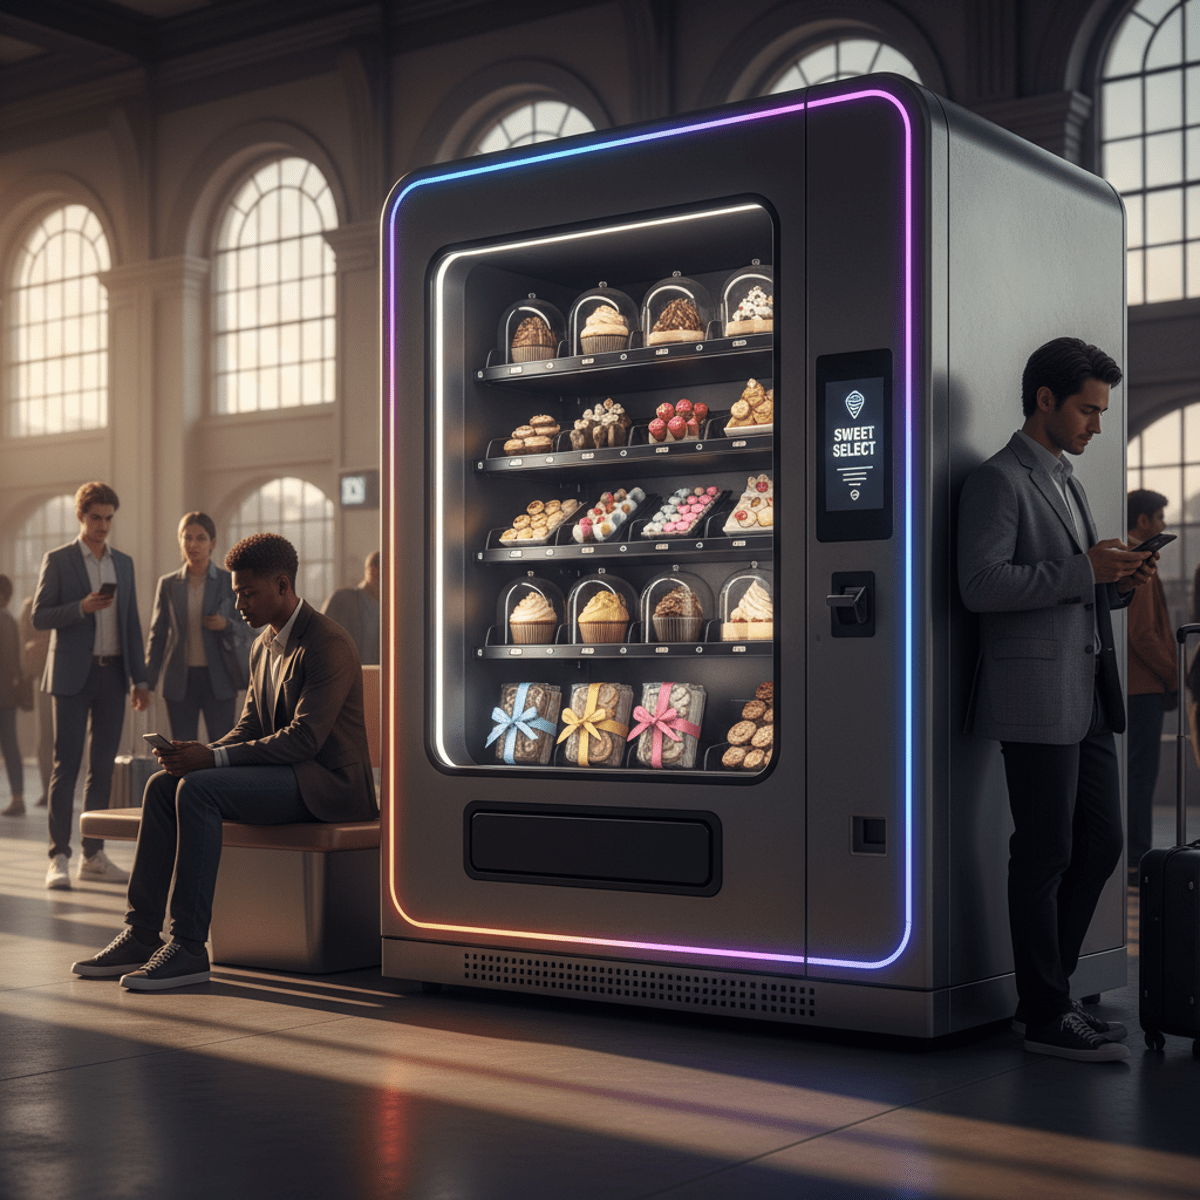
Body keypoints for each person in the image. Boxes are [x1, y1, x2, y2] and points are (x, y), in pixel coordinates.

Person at [958, 337, 1155, 1063]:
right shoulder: (997, 481)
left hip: (1088, 689)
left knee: (1102, 842)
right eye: (1088, 410)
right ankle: (1044, 1012)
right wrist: (1082, 569)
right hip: (1035, 694)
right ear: (1045, 399)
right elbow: (979, 587)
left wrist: (1116, 582)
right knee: (1043, 852)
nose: (1096, 426)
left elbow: (1070, 584)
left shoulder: (1066, 480)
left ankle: (1053, 995)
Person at [71, 532, 376, 991]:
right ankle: (141, 934)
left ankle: (190, 947)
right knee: (161, 785)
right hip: (288, 775)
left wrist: (211, 762)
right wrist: (196, 753)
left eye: (248, 593)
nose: (239, 605)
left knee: (199, 789)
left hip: (327, 785)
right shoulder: (262, 645)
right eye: (236, 593)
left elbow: (305, 740)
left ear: (282, 584)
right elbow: (251, 726)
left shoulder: (326, 642)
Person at [33, 482, 149, 889]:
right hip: (69, 676)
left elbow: (132, 623)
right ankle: (58, 857)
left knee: (102, 768)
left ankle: (93, 854)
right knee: (66, 766)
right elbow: (39, 616)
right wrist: (79, 607)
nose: (103, 525)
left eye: (108, 518)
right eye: (95, 517)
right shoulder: (59, 560)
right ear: (81, 517)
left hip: (113, 675)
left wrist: (141, 679)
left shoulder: (124, 564)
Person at [145, 512, 250, 743]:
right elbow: (158, 634)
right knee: (182, 749)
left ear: (212, 543)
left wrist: (226, 625)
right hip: (180, 680)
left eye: (201, 538)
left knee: (221, 748)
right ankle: (186, 782)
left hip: (220, 678)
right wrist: (147, 682)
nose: (193, 544)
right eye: (187, 537)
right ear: (180, 541)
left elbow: (249, 627)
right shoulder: (169, 584)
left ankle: (219, 782)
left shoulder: (228, 581)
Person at [1124, 489, 1178, 885]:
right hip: (1142, 688)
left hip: (1135, 686)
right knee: (1141, 776)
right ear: (1143, 522)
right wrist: (1173, 675)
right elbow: (1142, 634)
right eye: (1158, 518)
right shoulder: (1136, 560)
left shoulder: (1129, 557)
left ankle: (1132, 855)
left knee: (1135, 774)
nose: (1163, 526)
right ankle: (1137, 858)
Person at [18, 595, 52, 809]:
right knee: (47, 738)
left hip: (70, 676)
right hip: (44, 678)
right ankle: (48, 789)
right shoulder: (29, 605)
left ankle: (53, 789)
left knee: (58, 739)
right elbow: (23, 641)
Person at [321, 550, 380, 665]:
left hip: (375, 679)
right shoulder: (341, 600)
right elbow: (317, 637)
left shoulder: (390, 611)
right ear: (374, 571)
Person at [0, 576, 25, 818]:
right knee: (10, 748)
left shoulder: (4, 620)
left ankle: (18, 797)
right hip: (7, 696)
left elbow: (8, 661)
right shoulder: (9, 619)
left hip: (3, 696)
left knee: (9, 748)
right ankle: (17, 796)